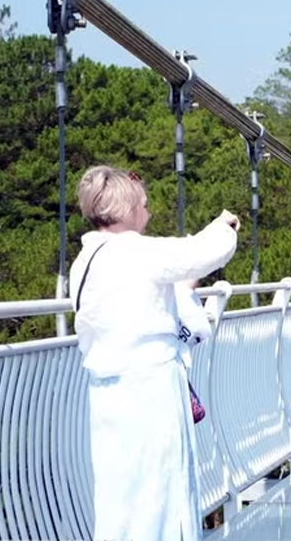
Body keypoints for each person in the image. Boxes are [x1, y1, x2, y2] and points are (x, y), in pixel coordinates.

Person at [69, 165, 239, 541]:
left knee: (121, 496)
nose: (148, 212)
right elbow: (203, 253)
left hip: (107, 393)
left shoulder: (85, 261)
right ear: (127, 209)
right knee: (162, 489)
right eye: (143, 205)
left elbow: (143, 293)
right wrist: (224, 226)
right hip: (151, 389)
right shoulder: (134, 251)